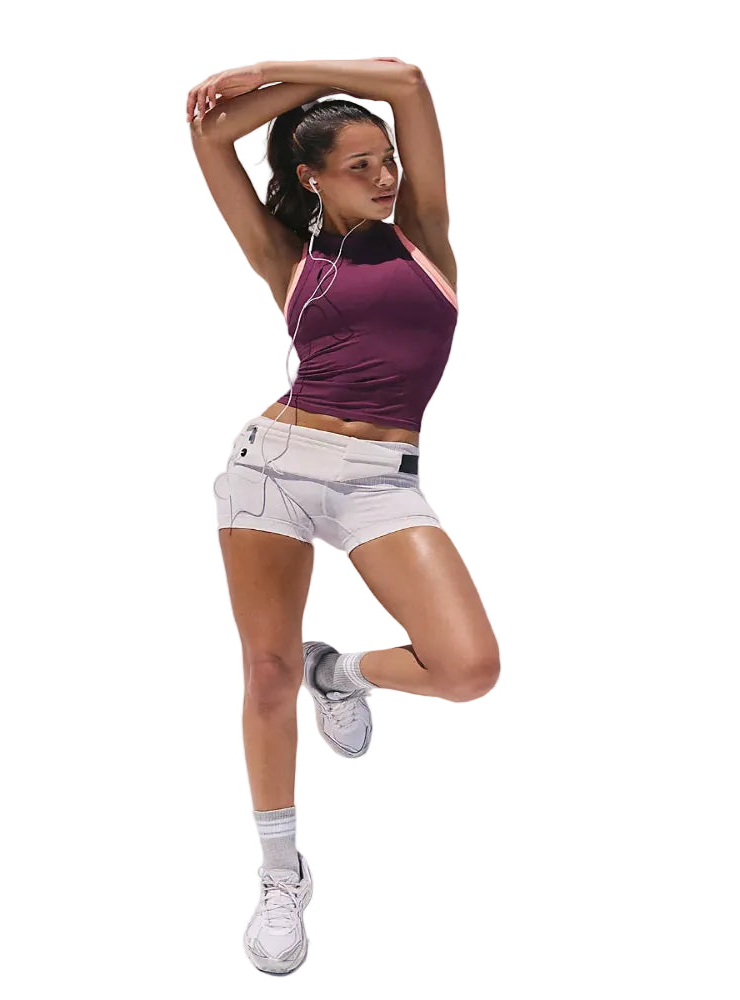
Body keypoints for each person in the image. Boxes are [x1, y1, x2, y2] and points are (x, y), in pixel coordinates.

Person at [188, 58, 500, 975]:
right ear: (312, 178)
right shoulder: (289, 259)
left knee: (469, 667)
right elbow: (208, 135)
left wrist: (278, 69)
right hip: (274, 471)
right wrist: (278, 108)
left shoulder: (425, 239)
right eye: (357, 164)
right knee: (266, 672)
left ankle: (344, 670)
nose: (384, 173)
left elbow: (403, 79)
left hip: (380, 481)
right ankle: (280, 874)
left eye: (386, 158)